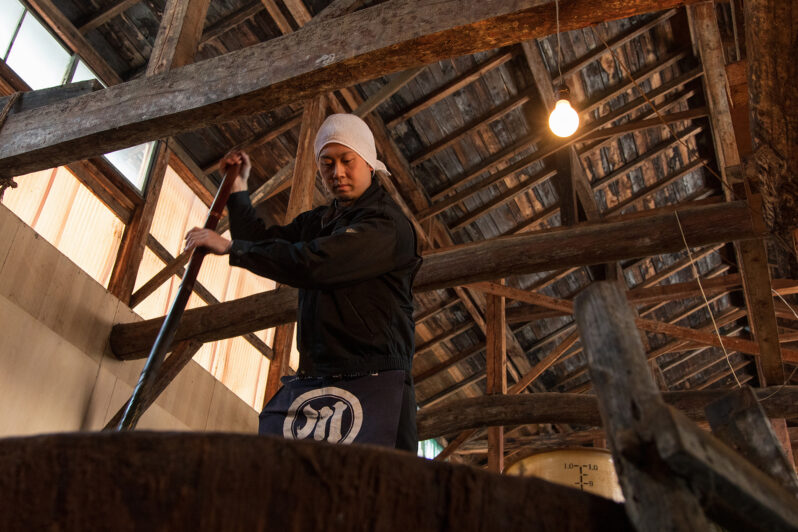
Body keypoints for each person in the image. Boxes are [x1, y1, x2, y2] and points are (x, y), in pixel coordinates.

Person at [184, 113, 422, 452]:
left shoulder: (387, 225)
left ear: (369, 162)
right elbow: (262, 240)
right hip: (318, 377)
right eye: (327, 163)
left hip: (376, 380)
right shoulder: (319, 221)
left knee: (377, 490)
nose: (337, 173)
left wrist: (234, 248)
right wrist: (238, 190)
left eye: (346, 161)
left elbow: (316, 264)